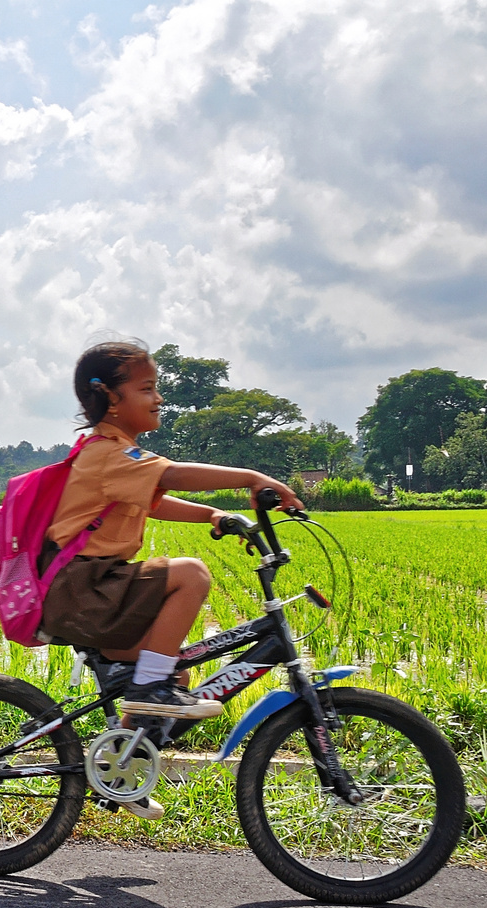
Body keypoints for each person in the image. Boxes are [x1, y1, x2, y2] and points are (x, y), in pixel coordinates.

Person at [39, 340, 303, 816]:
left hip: (97, 587)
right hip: (85, 588)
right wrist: (250, 477)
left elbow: (154, 500)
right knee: (191, 575)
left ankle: (120, 769)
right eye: (148, 388)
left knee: (174, 669)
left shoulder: (118, 454)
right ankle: (148, 691)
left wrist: (213, 517)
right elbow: (173, 476)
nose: (159, 398)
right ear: (112, 399)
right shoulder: (107, 453)